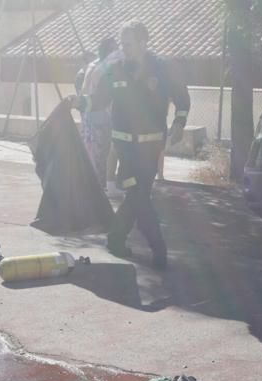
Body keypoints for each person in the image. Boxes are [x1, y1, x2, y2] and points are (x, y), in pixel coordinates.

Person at [74, 21, 190, 268]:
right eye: (122, 44)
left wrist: (180, 123)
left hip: (151, 149)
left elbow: (182, 97)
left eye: (127, 44)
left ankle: (115, 239)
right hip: (125, 149)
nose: (123, 49)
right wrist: (79, 102)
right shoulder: (115, 70)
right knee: (138, 194)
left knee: (137, 195)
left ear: (143, 42)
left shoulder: (162, 69)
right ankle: (158, 249)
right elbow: (99, 100)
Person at [79, 37, 122, 191]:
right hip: (101, 114)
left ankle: (96, 184)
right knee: (102, 151)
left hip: (90, 113)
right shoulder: (107, 66)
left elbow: (84, 90)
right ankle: (100, 185)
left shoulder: (93, 66)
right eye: (114, 48)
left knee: (93, 151)